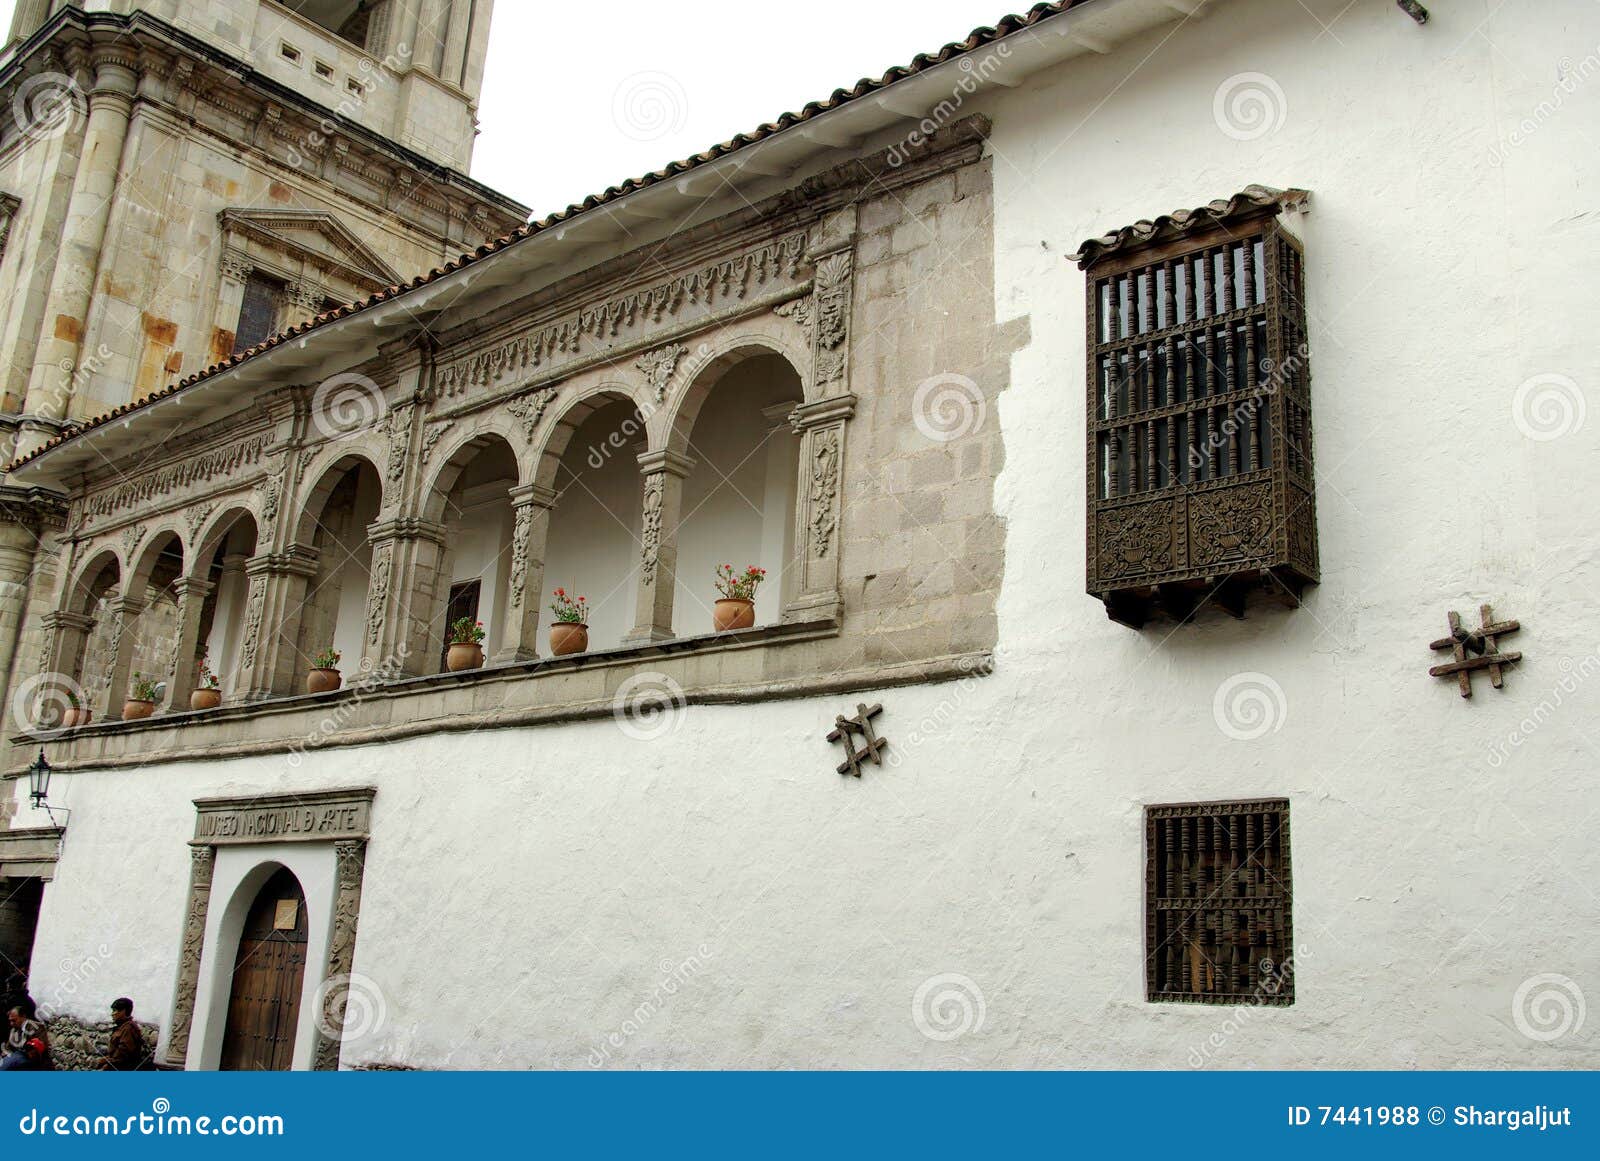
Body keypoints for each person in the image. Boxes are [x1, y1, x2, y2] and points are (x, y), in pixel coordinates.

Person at [100, 998, 148, 1071]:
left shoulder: (129, 1028)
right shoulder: (122, 1027)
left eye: (114, 1011)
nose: (112, 1014)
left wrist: (107, 1062)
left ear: (123, 1011)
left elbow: (123, 1055)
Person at [0, 1006, 49, 1070]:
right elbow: (8, 1047)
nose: (11, 1024)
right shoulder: (14, 1030)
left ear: (23, 1016)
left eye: (14, 1020)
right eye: (10, 1021)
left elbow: (41, 1046)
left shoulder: (36, 1027)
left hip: (31, 1060)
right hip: (16, 1058)